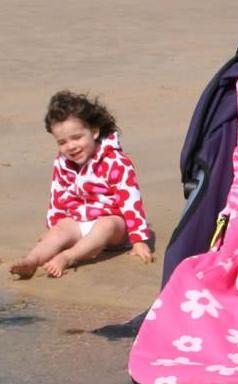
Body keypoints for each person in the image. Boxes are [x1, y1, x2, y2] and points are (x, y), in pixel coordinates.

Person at [9, 90, 154, 279]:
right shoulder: (63, 163)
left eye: (77, 137)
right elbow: (57, 197)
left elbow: (130, 201)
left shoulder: (115, 162)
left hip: (115, 227)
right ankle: (31, 260)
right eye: (62, 142)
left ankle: (67, 257)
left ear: (94, 131)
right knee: (62, 228)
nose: (71, 146)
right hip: (80, 220)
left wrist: (138, 240)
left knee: (105, 225)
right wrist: (53, 229)